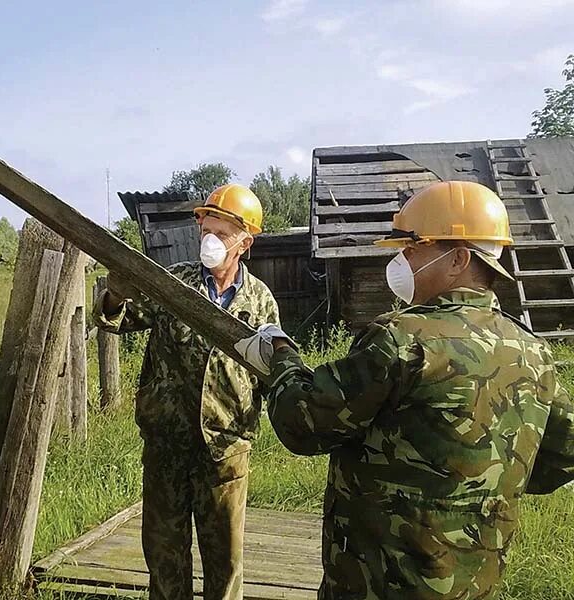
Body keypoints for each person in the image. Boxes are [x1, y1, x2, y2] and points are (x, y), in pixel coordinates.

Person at [238, 180, 574, 599]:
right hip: (474, 582)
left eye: (413, 249)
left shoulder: (402, 338)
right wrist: (482, 490)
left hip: (377, 580)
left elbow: (303, 423)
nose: (401, 259)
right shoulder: (533, 351)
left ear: (459, 258)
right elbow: (562, 454)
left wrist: (280, 359)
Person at [93, 183, 281, 600]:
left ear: (245, 242)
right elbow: (116, 320)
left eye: (222, 233)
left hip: (224, 451)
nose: (210, 240)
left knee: (225, 564)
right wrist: (114, 294)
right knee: (164, 556)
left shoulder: (261, 301)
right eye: (206, 230)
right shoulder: (174, 282)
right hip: (167, 446)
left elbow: (268, 371)